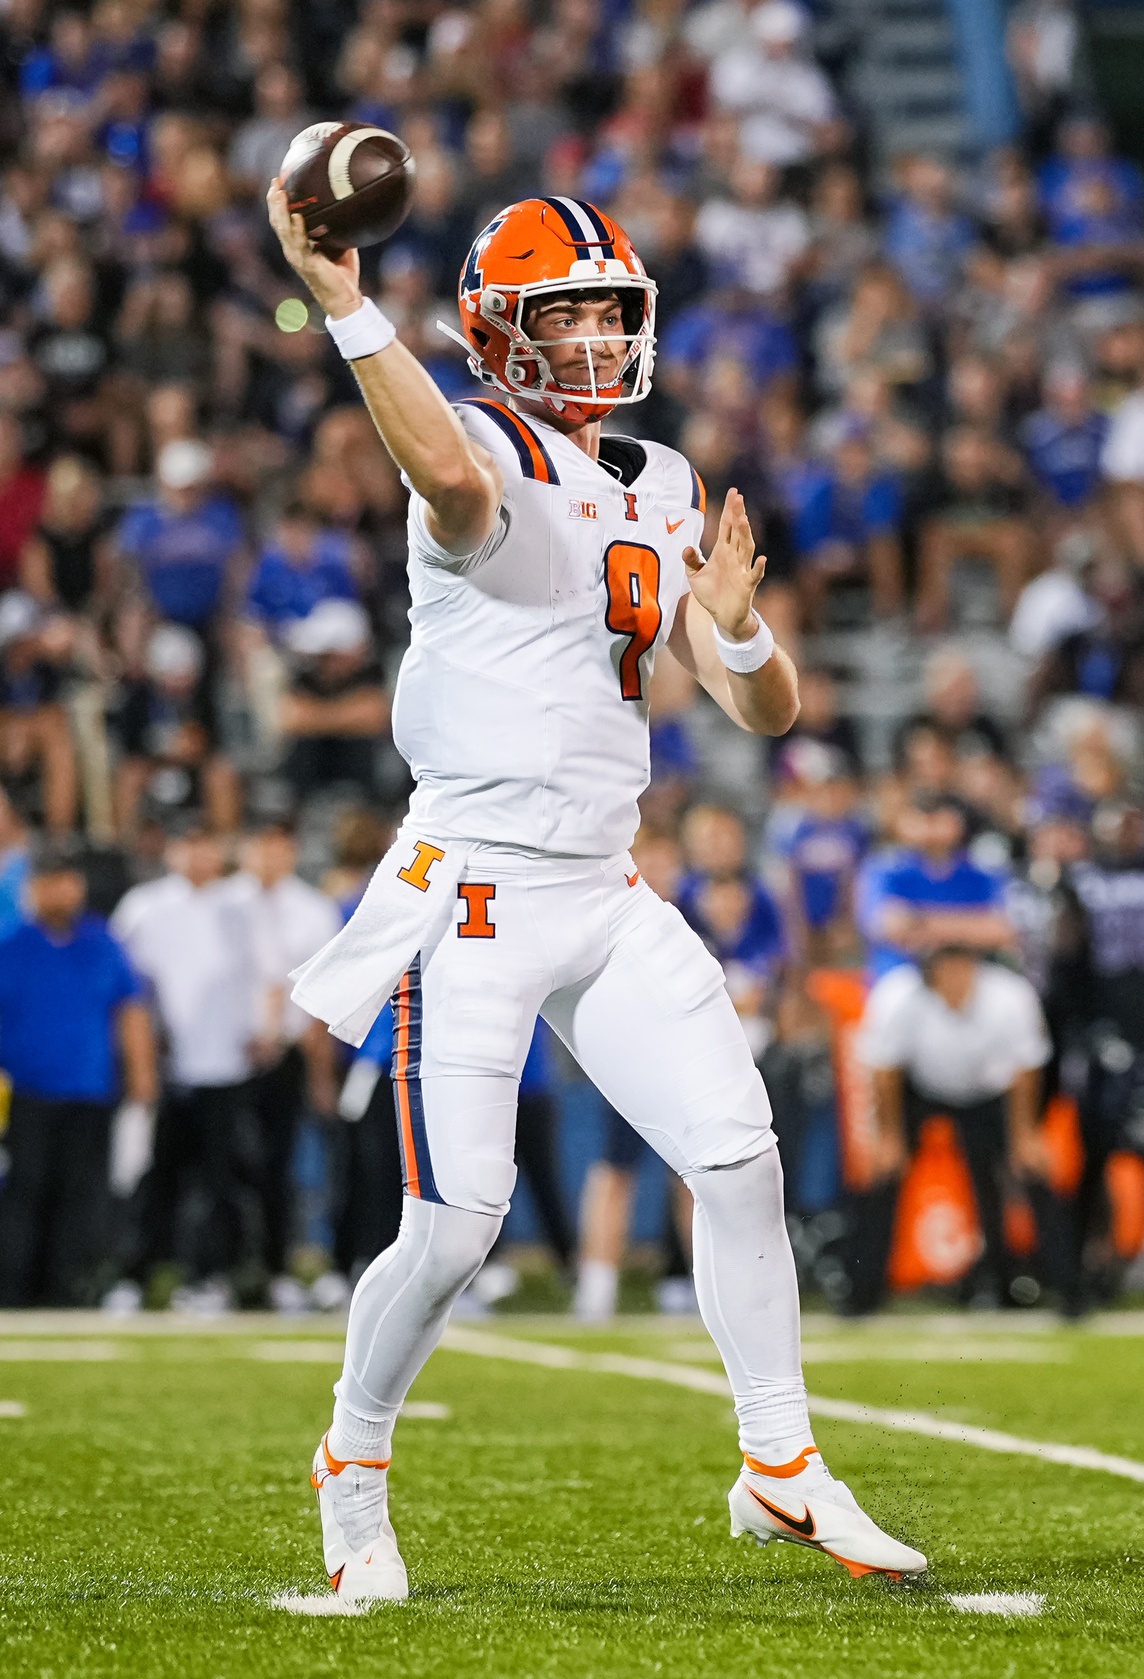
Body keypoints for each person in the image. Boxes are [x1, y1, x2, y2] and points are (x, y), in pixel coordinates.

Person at [268, 182, 924, 1600]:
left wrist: (740, 635)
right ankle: (354, 1454)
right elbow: (448, 482)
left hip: (607, 882)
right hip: (475, 891)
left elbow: (766, 711)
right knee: (453, 1226)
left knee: (740, 1155)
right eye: (561, 312)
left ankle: (780, 1461)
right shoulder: (469, 451)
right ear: (495, 331)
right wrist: (341, 299)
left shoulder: (667, 478)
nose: (589, 337)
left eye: (607, 310)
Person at [110, 823, 272, 1305]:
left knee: (222, 1182)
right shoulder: (144, 907)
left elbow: (268, 975)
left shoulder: (242, 907)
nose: (200, 858)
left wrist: (263, 1032)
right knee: (156, 1179)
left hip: (227, 1066)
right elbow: (126, 987)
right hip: (165, 1068)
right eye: (190, 846)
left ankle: (212, 1278)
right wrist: (141, 1048)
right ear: (173, 851)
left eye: (207, 847)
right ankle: (134, 1278)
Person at [849, 946, 1054, 1313]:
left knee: (1027, 1171)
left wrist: (1025, 1133)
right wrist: (890, 1136)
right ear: (931, 977)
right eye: (947, 974)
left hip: (989, 1094)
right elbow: (884, 1070)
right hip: (920, 1090)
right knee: (882, 1177)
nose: (957, 982)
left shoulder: (1010, 996)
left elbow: (1026, 1067)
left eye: (964, 972)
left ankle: (1055, 1289)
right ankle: (862, 1294)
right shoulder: (900, 998)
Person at [0, 841, 157, 1306]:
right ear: (32, 888)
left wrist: (142, 1075)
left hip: (90, 1092)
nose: (60, 890)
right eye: (50, 880)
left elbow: (130, 1011)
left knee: (80, 1196)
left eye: (68, 879)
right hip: (25, 1095)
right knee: (24, 1195)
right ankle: (15, 1289)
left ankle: (68, 1290)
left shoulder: (102, 942)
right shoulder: (12, 946)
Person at [238, 821, 342, 1308]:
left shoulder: (313, 909)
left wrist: (321, 1071)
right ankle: (225, 1271)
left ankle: (278, 1269)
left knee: (279, 1166)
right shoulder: (223, 903)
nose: (267, 855)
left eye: (277, 845)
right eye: (259, 844)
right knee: (224, 1169)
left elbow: (324, 997)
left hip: (290, 1053)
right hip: (226, 1056)